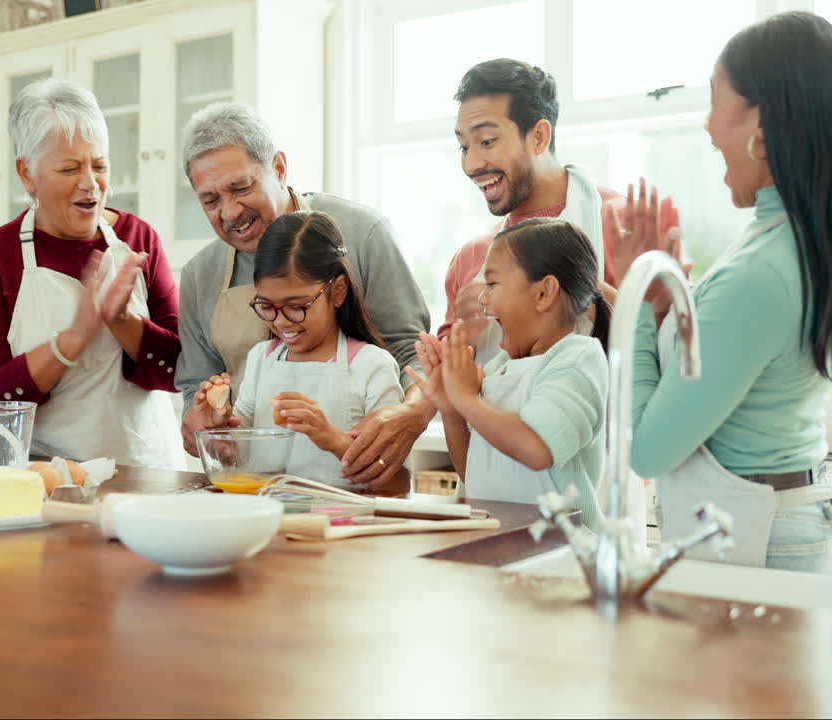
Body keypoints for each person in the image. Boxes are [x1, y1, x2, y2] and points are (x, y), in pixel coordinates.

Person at [606, 12, 832, 571]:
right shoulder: (786, 244)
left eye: (715, 101)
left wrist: (637, 296)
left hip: (759, 541)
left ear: (761, 128)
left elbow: (647, 450)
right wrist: (669, 304)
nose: (709, 128)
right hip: (769, 528)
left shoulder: (759, 273)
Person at [175, 102, 430, 491]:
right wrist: (203, 424)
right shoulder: (199, 276)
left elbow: (413, 355)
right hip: (259, 490)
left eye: (241, 187)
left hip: (356, 490)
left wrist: (412, 413)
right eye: (210, 200)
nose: (229, 212)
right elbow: (199, 384)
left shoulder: (364, 233)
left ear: (278, 167)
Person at [0, 78, 182, 469]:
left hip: (148, 473)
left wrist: (122, 322)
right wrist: (71, 341)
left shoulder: (138, 239)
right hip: (48, 480)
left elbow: (179, 370)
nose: (91, 183)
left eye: (100, 165)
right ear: (27, 174)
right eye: (70, 168)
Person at [440, 58, 680, 363]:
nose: (471, 164)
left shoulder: (626, 226)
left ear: (539, 136)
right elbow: (448, 396)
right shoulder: (470, 262)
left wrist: (580, 282)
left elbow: (678, 356)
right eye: (463, 147)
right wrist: (465, 344)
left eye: (486, 141)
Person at [409, 218, 612, 528]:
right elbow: (477, 476)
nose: (482, 298)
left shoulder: (576, 360)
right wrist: (451, 412)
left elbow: (536, 449)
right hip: (502, 546)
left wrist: (466, 400)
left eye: (491, 284)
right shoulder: (499, 367)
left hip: (565, 557)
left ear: (543, 293)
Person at [192, 212, 407, 487]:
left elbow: (396, 479)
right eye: (267, 306)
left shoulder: (372, 366)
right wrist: (218, 430)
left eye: (297, 306)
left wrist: (332, 438)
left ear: (338, 291)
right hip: (268, 515)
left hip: (339, 521)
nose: (281, 322)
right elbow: (237, 458)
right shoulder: (261, 358)